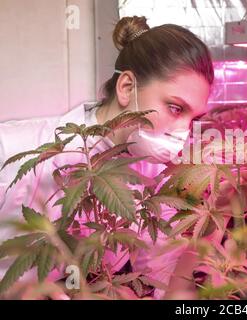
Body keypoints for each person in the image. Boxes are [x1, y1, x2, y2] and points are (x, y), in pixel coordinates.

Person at [0, 16, 214, 297]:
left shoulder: (157, 179)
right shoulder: (11, 148)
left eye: (193, 119)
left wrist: (220, 213)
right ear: (126, 88)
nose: (183, 131)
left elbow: (162, 279)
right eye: (175, 108)